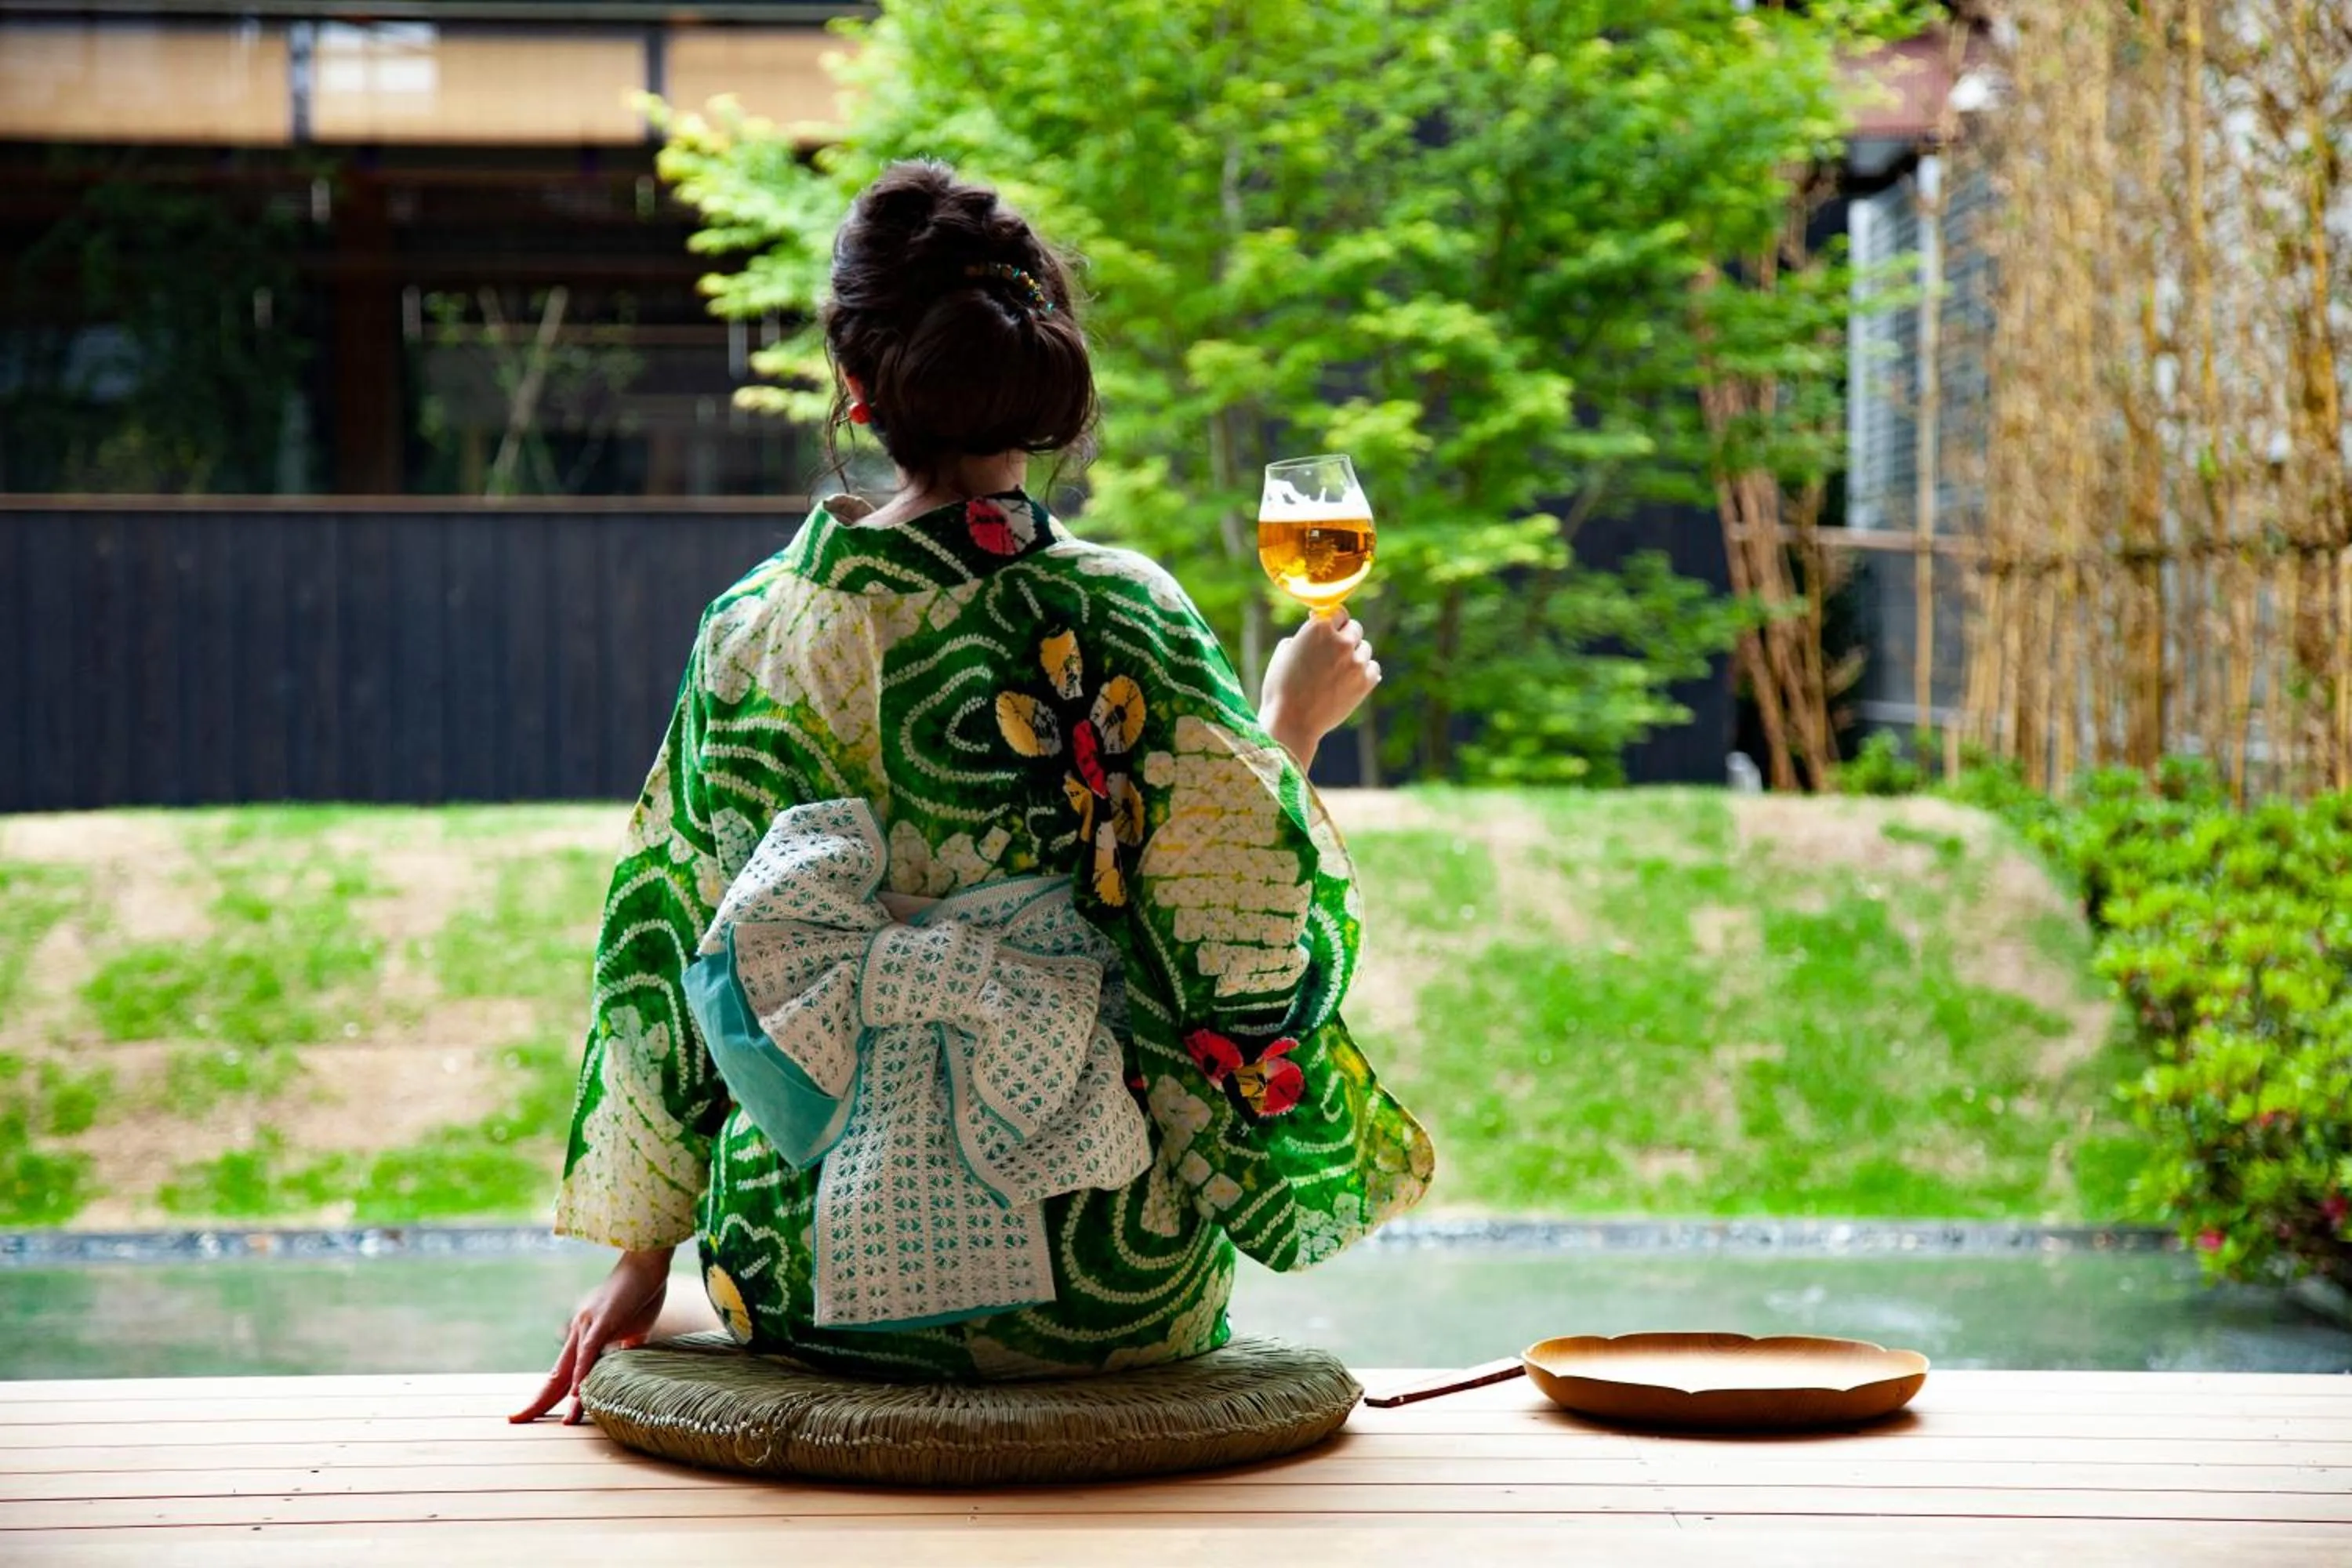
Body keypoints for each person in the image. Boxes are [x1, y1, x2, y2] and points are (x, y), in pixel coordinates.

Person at [513, 160, 1432, 1425]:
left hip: (804, 1271)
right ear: (1031, 367)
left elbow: (669, 949)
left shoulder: (751, 631)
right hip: (1112, 1286)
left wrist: (642, 1264)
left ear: (856, 388)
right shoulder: (1124, 607)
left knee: (742, 1235)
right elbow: (1246, 942)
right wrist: (1287, 724)